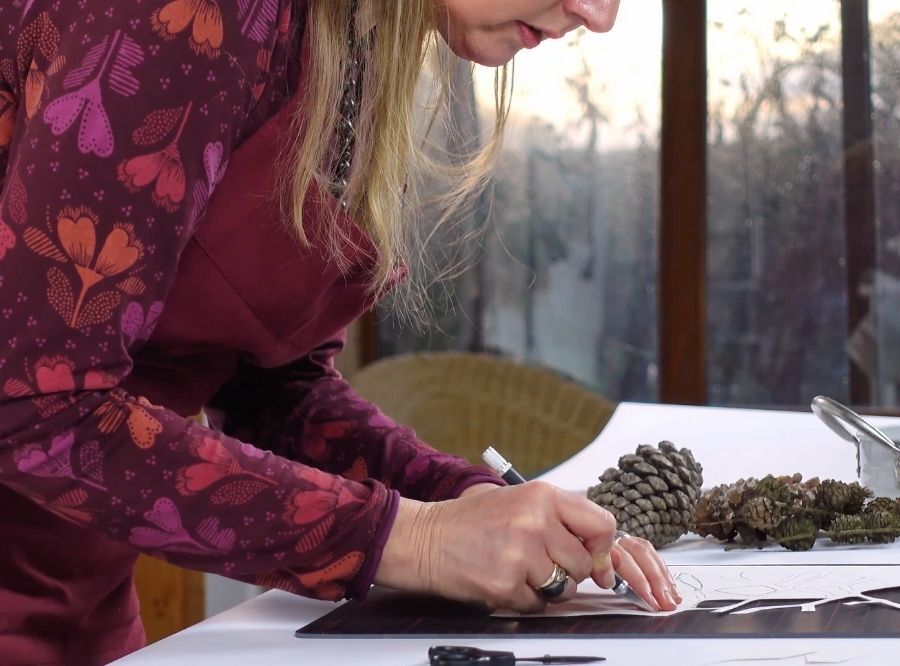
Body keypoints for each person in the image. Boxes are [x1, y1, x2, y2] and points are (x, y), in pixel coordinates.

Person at [0, 1, 681, 663]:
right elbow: (36, 407)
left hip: (79, 600)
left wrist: (470, 506)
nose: (600, 15)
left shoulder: (344, 39)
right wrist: (418, 540)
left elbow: (272, 388)